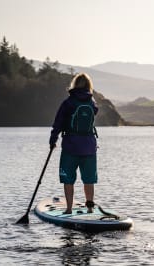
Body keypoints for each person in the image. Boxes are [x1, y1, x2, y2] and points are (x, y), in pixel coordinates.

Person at [49, 73, 98, 214]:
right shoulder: (91, 102)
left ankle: (69, 208)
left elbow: (58, 123)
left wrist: (53, 140)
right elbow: (95, 112)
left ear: (74, 84)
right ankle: (89, 208)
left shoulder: (68, 102)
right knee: (89, 179)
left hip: (70, 146)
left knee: (68, 179)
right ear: (89, 86)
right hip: (89, 147)